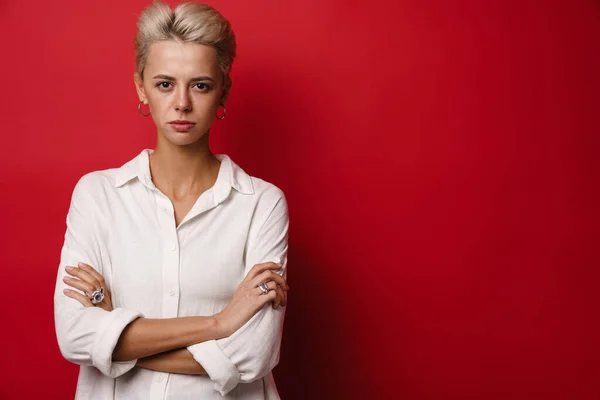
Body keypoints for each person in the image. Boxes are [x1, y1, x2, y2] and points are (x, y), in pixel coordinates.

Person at [53, 2, 290, 399]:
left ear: (223, 92)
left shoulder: (261, 204)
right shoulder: (97, 196)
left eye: (200, 85)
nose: (182, 103)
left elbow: (253, 354)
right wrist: (220, 323)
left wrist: (114, 335)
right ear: (140, 88)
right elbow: (75, 337)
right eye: (165, 84)